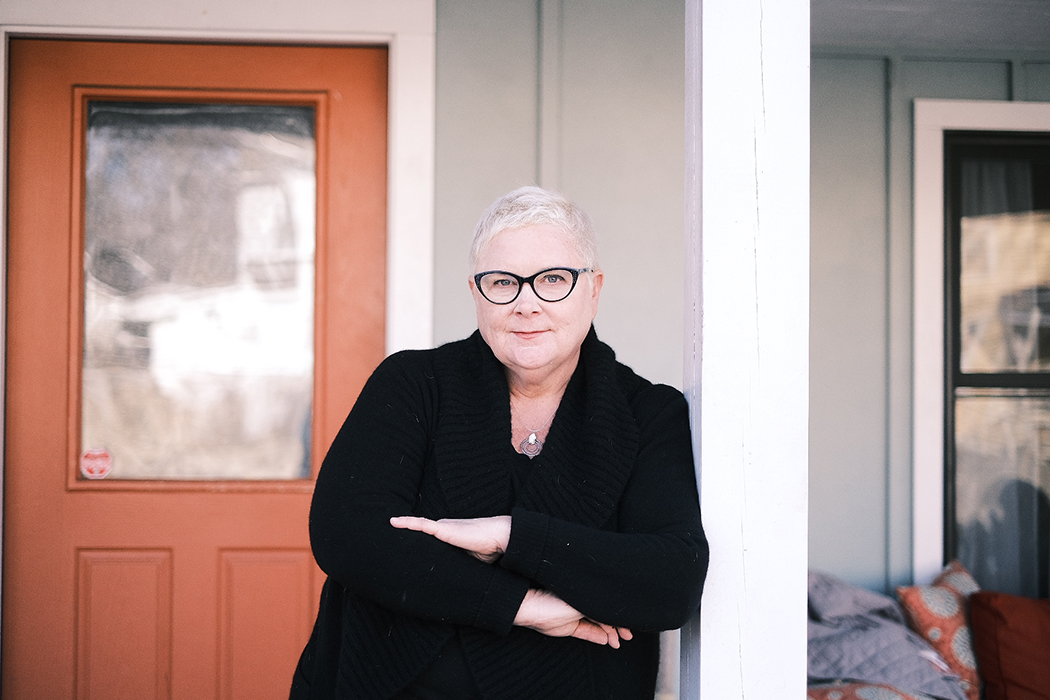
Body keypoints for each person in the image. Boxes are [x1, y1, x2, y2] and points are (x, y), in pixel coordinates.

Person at [290, 186, 708, 700]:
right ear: (475, 292)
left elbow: (670, 579)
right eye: (503, 282)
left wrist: (511, 537)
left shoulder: (648, 413)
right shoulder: (413, 384)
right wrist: (523, 606)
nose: (526, 304)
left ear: (594, 289)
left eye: (553, 279)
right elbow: (349, 533)